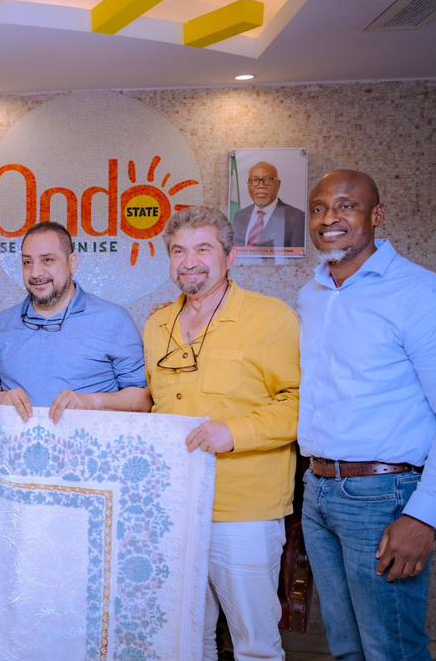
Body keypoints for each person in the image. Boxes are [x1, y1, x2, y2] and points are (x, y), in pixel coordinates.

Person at [298, 169, 436, 660]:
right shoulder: (313, 294)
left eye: (346, 206)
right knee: (346, 649)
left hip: (384, 496)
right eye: (319, 209)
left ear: (377, 215)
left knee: (391, 651)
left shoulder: (421, 294)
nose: (329, 218)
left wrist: (423, 517)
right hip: (319, 491)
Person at [143, 207, 300, 661]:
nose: (189, 261)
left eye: (203, 249)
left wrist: (234, 433)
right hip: (175, 506)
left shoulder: (271, 317)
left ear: (230, 257)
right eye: (178, 251)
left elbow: (300, 404)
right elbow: (153, 403)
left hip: (244, 510)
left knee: (255, 645)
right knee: (188, 641)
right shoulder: (157, 325)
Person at [0, 221, 150, 422]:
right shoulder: (2, 324)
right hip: (17, 442)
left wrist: (91, 402)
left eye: (47, 260)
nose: (35, 273)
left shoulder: (114, 319)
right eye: (27, 262)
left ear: (72, 262)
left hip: (93, 441)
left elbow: (144, 400)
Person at [232, 161, 305, 250]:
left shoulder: (297, 218)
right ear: (248, 185)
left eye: (268, 179)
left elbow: (298, 256)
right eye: (255, 180)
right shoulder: (239, 216)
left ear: (278, 184)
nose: (261, 185)